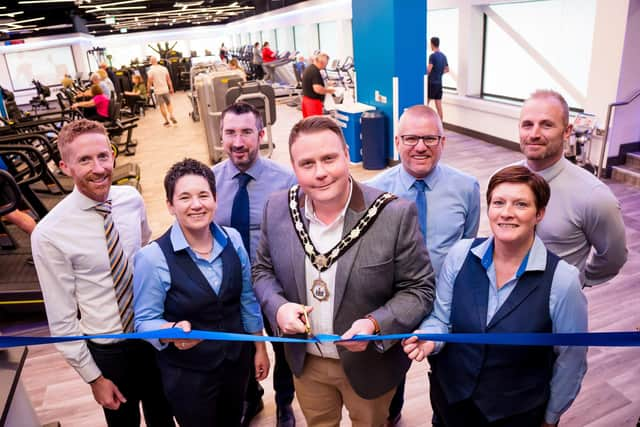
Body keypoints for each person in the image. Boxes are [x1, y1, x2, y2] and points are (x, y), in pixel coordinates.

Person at [253, 116, 436, 426]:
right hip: (306, 362)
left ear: (347, 154)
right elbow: (262, 270)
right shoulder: (278, 209)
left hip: (370, 366)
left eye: (329, 158)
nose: (321, 172)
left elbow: (419, 290)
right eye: (307, 163)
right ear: (294, 167)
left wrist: (375, 323)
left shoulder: (393, 214)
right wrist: (278, 307)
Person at [404, 165, 588, 427]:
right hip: (451, 401)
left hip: (516, 414)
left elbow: (572, 359)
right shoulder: (460, 255)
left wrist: (551, 416)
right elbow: (440, 319)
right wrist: (430, 340)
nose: (506, 213)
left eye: (521, 204)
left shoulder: (563, 280)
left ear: (540, 214)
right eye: (498, 202)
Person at [30, 119, 174, 427]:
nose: (99, 168)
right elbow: (62, 319)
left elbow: (146, 253)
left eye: (103, 156)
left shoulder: (131, 201)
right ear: (64, 167)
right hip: (110, 352)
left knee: (163, 415)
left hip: (152, 336)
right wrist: (93, 378)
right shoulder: (49, 234)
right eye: (84, 160)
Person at [133, 158, 270, 427]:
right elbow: (143, 321)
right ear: (170, 206)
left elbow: (247, 300)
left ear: (215, 200)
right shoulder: (152, 258)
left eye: (203, 195)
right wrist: (169, 330)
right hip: (189, 375)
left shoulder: (233, 239)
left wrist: (259, 348)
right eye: (184, 197)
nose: (196, 204)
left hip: (235, 363)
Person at [367, 105, 480, 426]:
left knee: (448, 377)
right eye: (411, 138)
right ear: (398, 141)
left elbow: (466, 242)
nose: (420, 146)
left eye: (430, 138)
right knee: (391, 371)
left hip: (446, 302)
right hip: (394, 299)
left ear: (443, 142)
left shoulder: (467, 187)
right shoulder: (375, 190)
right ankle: (393, 412)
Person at [213, 102, 297, 427]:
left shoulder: (286, 181)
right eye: (230, 133)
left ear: (260, 135)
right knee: (240, 348)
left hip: (274, 283)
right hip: (229, 285)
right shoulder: (210, 181)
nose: (238, 141)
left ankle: (285, 403)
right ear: (221, 137)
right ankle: (252, 397)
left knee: (285, 348)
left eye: (246, 132)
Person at [516, 89, 627, 286]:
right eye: (527, 125)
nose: (534, 134)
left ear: (567, 131)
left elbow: (613, 258)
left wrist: (578, 282)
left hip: (554, 310)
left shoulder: (595, 197)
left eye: (546, 125)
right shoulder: (502, 180)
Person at [301, 52, 335, 118]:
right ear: (322, 63)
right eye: (326, 64)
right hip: (313, 102)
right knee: (316, 124)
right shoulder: (315, 71)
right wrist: (329, 91)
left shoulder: (310, 68)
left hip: (306, 100)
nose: (326, 66)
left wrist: (326, 84)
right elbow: (317, 89)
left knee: (309, 123)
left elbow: (312, 83)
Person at [147, 56, 178, 127]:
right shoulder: (164, 68)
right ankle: (171, 115)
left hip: (158, 91)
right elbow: (168, 79)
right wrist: (171, 88)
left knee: (162, 106)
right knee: (169, 103)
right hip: (165, 89)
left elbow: (149, 82)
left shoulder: (150, 71)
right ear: (157, 61)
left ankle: (167, 121)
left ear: (151, 62)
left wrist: (148, 92)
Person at [427, 36, 449, 120]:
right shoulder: (443, 56)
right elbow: (447, 69)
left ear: (432, 44)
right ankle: (441, 128)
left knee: (425, 105)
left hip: (431, 83)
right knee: (439, 107)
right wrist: (439, 73)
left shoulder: (432, 56)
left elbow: (429, 70)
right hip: (439, 84)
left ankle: (424, 126)